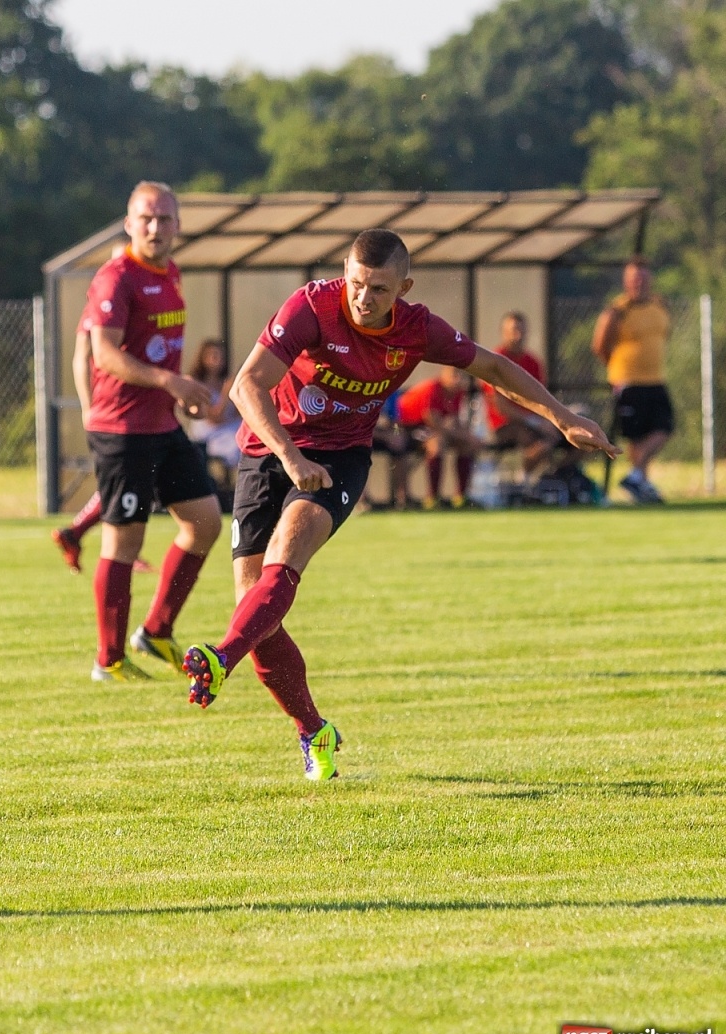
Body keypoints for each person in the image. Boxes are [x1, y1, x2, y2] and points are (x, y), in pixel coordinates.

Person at [181, 229, 617, 780]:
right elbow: (248, 386)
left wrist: (564, 418)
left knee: (285, 555)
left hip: (340, 459)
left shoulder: (416, 330)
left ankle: (220, 659)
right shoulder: (312, 306)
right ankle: (315, 731)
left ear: (403, 287)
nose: (364, 299)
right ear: (345, 271)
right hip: (269, 451)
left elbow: (495, 369)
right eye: (357, 284)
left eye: (380, 289)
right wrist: (290, 457)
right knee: (256, 611)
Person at [78, 181, 221, 682]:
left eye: (164, 218)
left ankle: (156, 631)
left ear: (179, 225)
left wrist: (178, 394)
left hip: (162, 423)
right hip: (122, 429)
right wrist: (170, 380)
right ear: (128, 223)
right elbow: (103, 353)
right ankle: (108, 660)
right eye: (146, 218)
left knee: (204, 523)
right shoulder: (116, 277)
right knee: (123, 543)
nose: (156, 227)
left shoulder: (172, 273)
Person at [51, 325, 153, 577]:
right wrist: (88, 407)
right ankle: (114, 549)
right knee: (126, 485)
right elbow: (82, 358)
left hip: (124, 414)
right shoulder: (106, 304)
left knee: (122, 485)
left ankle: (76, 533)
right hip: (115, 418)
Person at [593, 257, 671, 503]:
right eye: (634, 279)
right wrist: (618, 368)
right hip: (628, 382)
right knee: (635, 438)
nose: (639, 283)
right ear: (626, 282)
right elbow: (600, 345)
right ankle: (641, 485)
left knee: (664, 427)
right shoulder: (617, 310)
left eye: (643, 278)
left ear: (650, 279)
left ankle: (637, 478)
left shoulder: (659, 305)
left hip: (655, 379)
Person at [482, 311, 558, 480]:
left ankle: (555, 476)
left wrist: (550, 421)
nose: (518, 335)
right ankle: (521, 482)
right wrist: (536, 422)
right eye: (513, 330)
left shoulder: (533, 362)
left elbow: (540, 400)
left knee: (566, 439)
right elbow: (501, 408)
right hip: (505, 425)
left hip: (531, 422)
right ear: (504, 332)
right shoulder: (495, 360)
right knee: (538, 441)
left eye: (522, 330)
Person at [395, 365, 477, 508]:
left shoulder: (457, 392)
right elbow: (430, 418)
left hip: (433, 429)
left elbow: (453, 420)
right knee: (436, 445)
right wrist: (460, 435)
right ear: (443, 375)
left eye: (461, 376)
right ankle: (432, 498)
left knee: (466, 446)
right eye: (454, 375)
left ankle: (460, 497)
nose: (458, 379)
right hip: (408, 426)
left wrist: (467, 437)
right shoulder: (432, 388)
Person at [186, 338, 241, 472]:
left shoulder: (225, 381)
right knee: (236, 443)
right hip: (209, 434)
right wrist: (225, 394)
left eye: (221, 356)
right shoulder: (198, 384)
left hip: (229, 427)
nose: (218, 360)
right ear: (203, 358)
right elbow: (213, 418)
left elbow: (236, 413)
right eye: (214, 356)